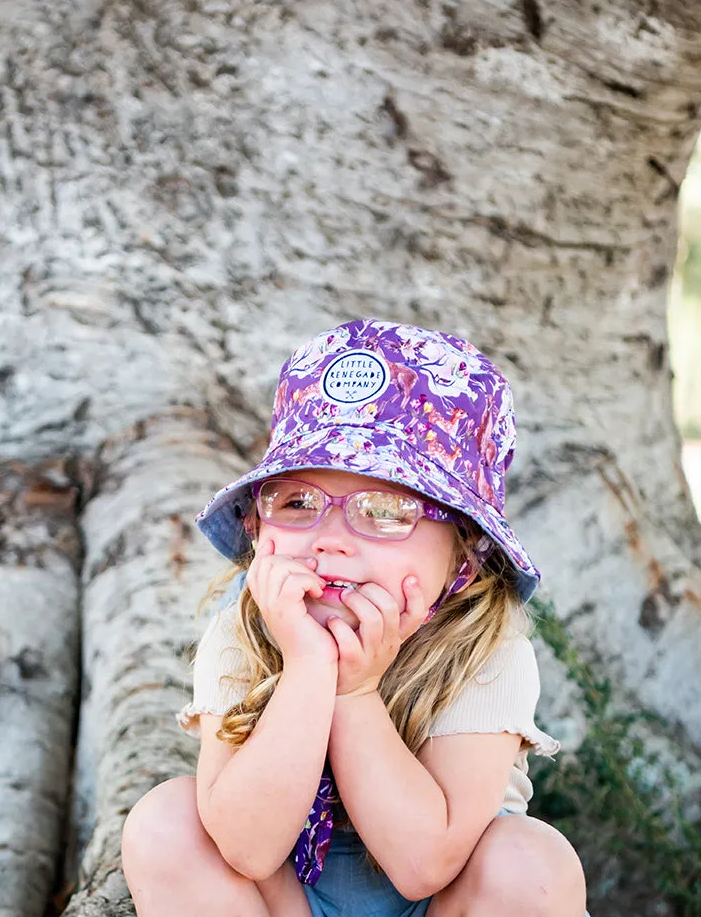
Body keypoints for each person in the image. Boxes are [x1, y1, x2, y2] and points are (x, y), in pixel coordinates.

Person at [122, 318, 588, 917]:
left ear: (465, 554)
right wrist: (309, 668)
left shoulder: (486, 651)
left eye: (386, 509)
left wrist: (357, 690)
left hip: (442, 898)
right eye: (298, 503)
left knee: (531, 863)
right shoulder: (242, 631)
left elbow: (425, 865)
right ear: (257, 526)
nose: (331, 541)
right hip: (284, 899)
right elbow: (246, 847)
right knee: (166, 823)